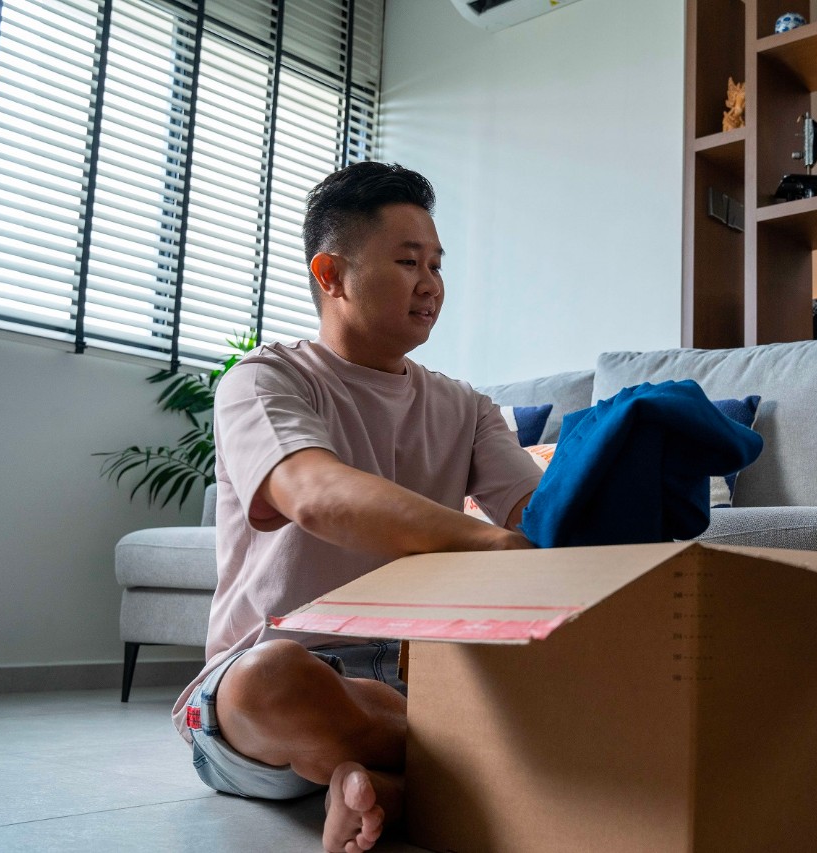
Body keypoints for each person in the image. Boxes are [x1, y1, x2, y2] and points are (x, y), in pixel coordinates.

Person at [171, 161, 544, 852]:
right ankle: (451, 770)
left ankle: (380, 783)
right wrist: (486, 542)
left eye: (437, 263)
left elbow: (538, 512)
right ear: (330, 275)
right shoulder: (265, 378)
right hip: (274, 683)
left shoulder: (466, 406)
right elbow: (315, 494)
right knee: (269, 679)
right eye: (408, 261)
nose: (431, 283)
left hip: (412, 676)